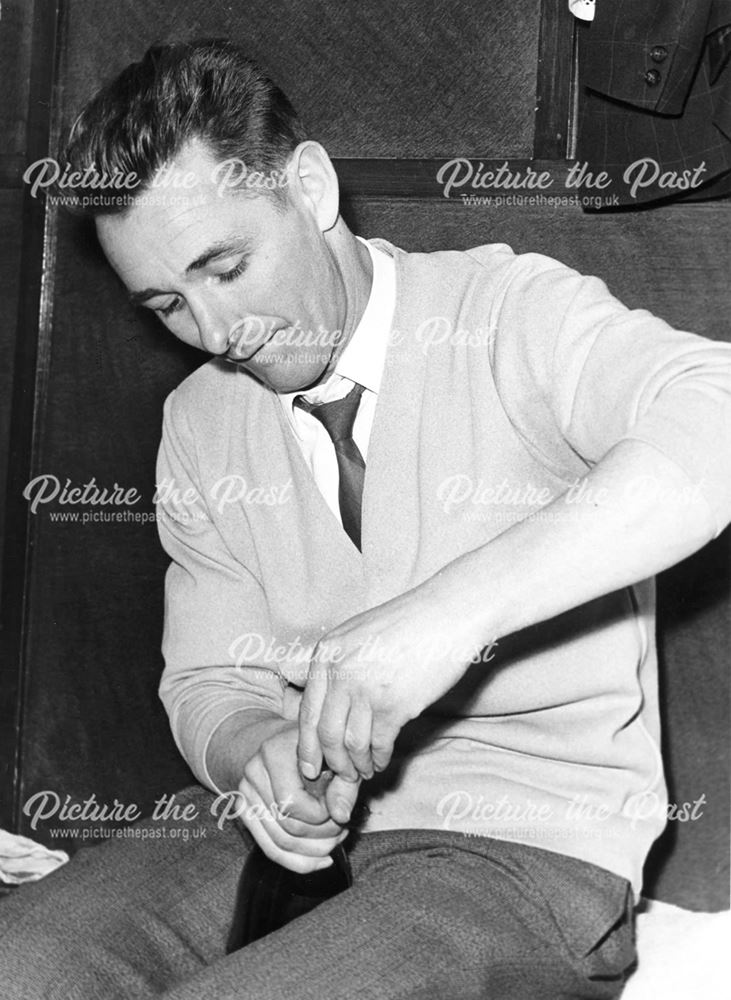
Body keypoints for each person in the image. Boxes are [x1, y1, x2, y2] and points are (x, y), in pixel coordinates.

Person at [2, 37, 730, 1000]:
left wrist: (450, 612)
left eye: (226, 268)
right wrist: (252, 752)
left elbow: (714, 412)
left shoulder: (509, 312)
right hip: (269, 837)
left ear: (309, 189)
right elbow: (211, 681)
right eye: (167, 304)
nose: (218, 336)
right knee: (24, 961)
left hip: (522, 851)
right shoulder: (199, 419)